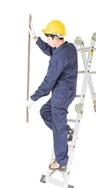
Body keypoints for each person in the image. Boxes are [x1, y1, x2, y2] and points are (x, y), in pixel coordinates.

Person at [28, 20, 78, 170]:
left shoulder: (59, 56)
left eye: (48, 37)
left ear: (56, 38)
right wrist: (37, 40)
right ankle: (65, 130)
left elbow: (48, 82)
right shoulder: (68, 48)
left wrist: (33, 98)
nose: (47, 40)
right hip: (65, 91)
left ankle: (61, 161)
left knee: (58, 127)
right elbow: (51, 51)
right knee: (45, 112)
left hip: (61, 94)